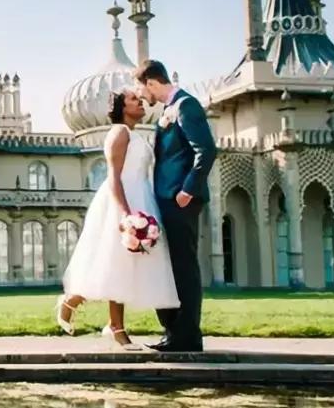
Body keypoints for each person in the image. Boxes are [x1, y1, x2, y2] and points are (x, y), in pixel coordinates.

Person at [55, 88, 179, 350]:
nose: (141, 102)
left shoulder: (136, 134)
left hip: (142, 198)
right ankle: (88, 310)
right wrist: (125, 213)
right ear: (122, 107)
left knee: (123, 266)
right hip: (121, 201)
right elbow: (113, 176)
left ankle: (106, 321)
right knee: (113, 261)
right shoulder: (119, 132)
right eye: (134, 99)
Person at [135, 59, 217, 352]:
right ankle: (175, 332)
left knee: (184, 267)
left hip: (180, 200)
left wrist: (187, 190)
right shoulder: (168, 110)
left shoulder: (185, 106)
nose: (141, 94)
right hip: (167, 199)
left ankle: (188, 335)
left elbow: (206, 150)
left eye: (141, 88)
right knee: (171, 266)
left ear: (151, 83)